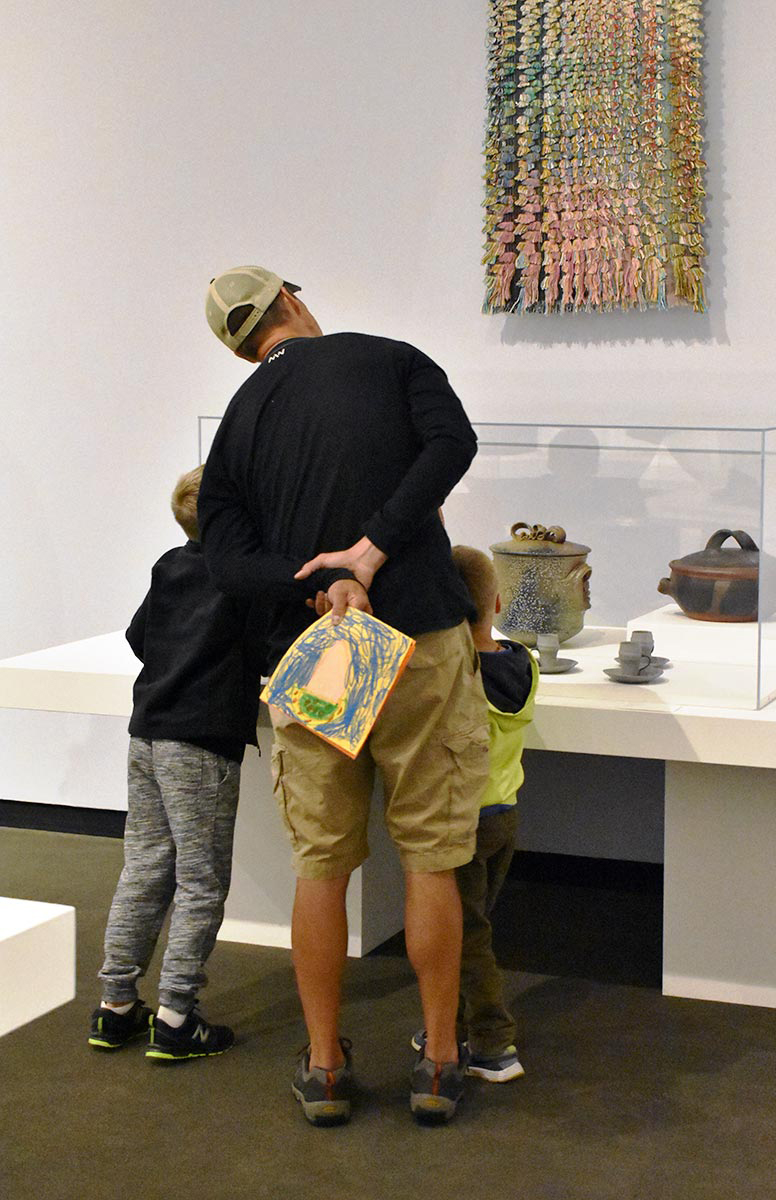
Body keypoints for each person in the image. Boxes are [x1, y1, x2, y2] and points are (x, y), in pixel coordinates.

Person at [199, 265, 489, 1124]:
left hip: (315, 652)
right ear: (291, 299)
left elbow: (223, 559)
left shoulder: (240, 420)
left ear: (241, 345)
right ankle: (438, 1061)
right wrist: (370, 553)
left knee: (320, 866)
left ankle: (324, 1065)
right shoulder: (391, 358)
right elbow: (452, 446)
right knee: (432, 856)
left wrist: (316, 588)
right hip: (421, 637)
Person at [88, 466, 262, 1061]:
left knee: (143, 867)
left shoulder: (169, 564)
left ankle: (115, 1006)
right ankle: (176, 1015)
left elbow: (141, 638)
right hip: (202, 741)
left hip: (148, 731)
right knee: (201, 880)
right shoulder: (244, 578)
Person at [412, 545, 538, 1083]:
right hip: (504, 815)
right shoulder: (523, 663)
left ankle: (492, 1041)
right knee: (469, 927)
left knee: (467, 937)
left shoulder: (456, 676)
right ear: (499, 602)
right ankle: (453, 1022)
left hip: (461, 819)